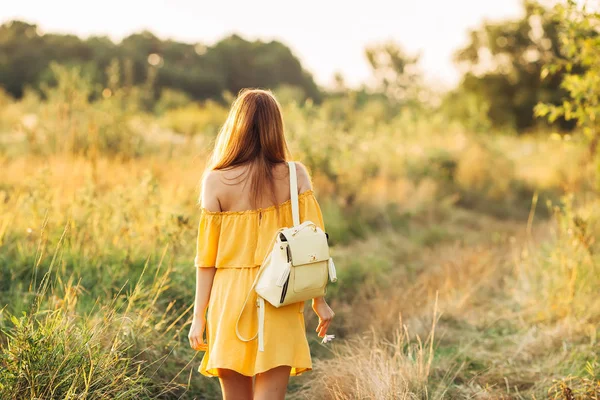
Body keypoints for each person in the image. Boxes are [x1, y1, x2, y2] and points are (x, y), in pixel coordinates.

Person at [188, 88, 335, 400]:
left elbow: (206, 259)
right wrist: (318, 301)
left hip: (228, 298)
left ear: (236, 125)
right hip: (279, 295)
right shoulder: (295, 175)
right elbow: (313, 246)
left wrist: (198, 315)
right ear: (275, 127)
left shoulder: (214, 180)